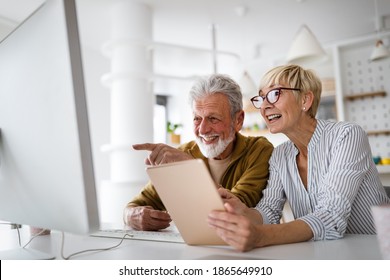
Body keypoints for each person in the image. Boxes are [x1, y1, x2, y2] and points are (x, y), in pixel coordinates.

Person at [208, 64, 390, 252]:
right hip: (323, 256)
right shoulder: (280, 155)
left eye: (275, 94)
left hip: (377, 252)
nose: (264, 106)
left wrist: (261, 236)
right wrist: (243, 211)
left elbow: (330, 217)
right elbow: (269, 211)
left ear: (305, 99)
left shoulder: (346, 136)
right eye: (261, 98)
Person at [123, 74, 274, 231]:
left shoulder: (259, 150)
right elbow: (135, 205)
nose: (202, 130)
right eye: (197, 119)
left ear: (238, 120)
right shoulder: (183, 152)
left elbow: (235, 209)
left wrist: (190, 167)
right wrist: (132, 216)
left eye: (213, 119)